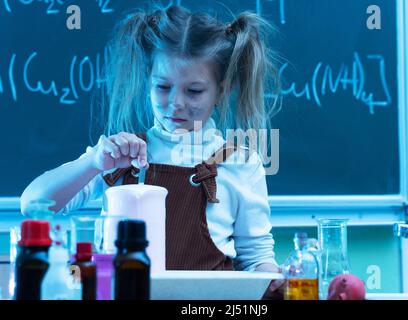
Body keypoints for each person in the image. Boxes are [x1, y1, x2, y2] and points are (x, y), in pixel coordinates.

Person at [20, 5, 284, 299]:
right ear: (148, 81)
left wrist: (270, 274)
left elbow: (256, 257)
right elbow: (33, 204)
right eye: (163, 86)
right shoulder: (118, 154)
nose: (175, 103)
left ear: (222, 91)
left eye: (193, 91)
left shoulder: (239, 161)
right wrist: (93, 163)